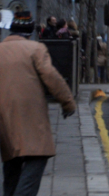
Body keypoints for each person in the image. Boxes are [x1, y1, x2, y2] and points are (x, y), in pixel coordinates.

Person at [0, 11, 76, 196]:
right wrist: (68, 103)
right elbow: (52, 78)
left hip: (5, 122)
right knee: (35, 162)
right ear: (30, 30)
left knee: (11, 170)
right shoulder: (36, 49)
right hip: (31, 120)